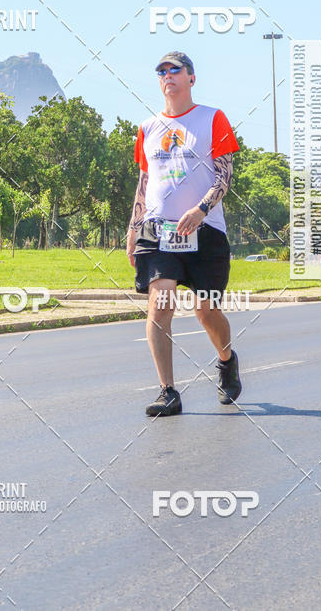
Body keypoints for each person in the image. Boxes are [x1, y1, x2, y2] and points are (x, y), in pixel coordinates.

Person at [126, 51, 241, 416]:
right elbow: (144, 184)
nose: (168, 76)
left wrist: (201, 209)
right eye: (161, 71)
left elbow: (224, 176)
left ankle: (226, 359)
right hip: (158, 231)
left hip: (205, 231)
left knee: (206, 311)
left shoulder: (212, 119)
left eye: (175, 70)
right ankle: (168, 392)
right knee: (160, 304)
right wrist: (133, 228)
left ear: (191, 78)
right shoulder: (147, 128)